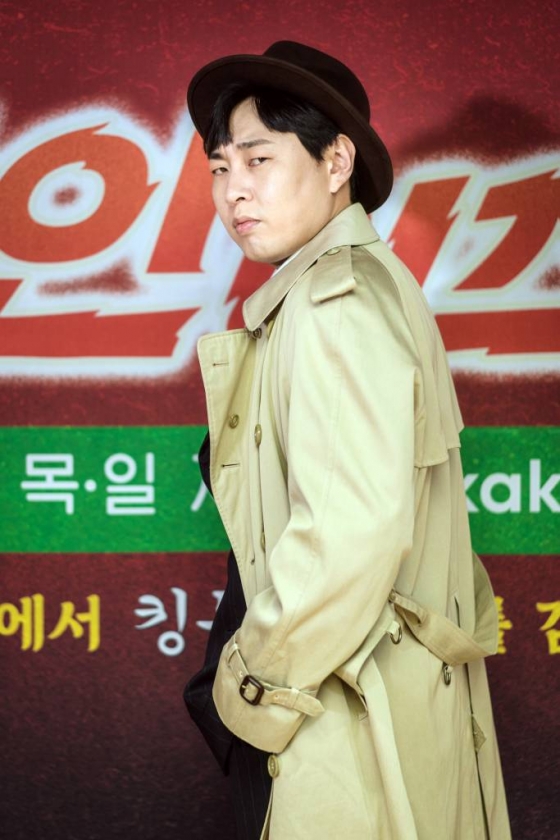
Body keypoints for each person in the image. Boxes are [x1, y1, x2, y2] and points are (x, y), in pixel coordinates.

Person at [184, 41, 511, 840]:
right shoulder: (348, 286)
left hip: (337, 718)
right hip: (352, 703)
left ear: (336, 162)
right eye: (221, 167)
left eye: (259, 159)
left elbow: (346, 536)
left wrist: (248, 692)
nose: (234, 190)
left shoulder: (336, 305)